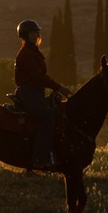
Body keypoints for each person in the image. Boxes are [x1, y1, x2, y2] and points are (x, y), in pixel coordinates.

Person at [12, 18, 68, 169]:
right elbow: (38, 77)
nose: (35, 35)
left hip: (34, 92)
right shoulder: (27, 54)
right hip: (29, 93)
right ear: (24, 35)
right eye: (31, 33)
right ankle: (39, 157)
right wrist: (59, 88)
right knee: (48, 117)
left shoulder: (33, 52)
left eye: (36, 32)